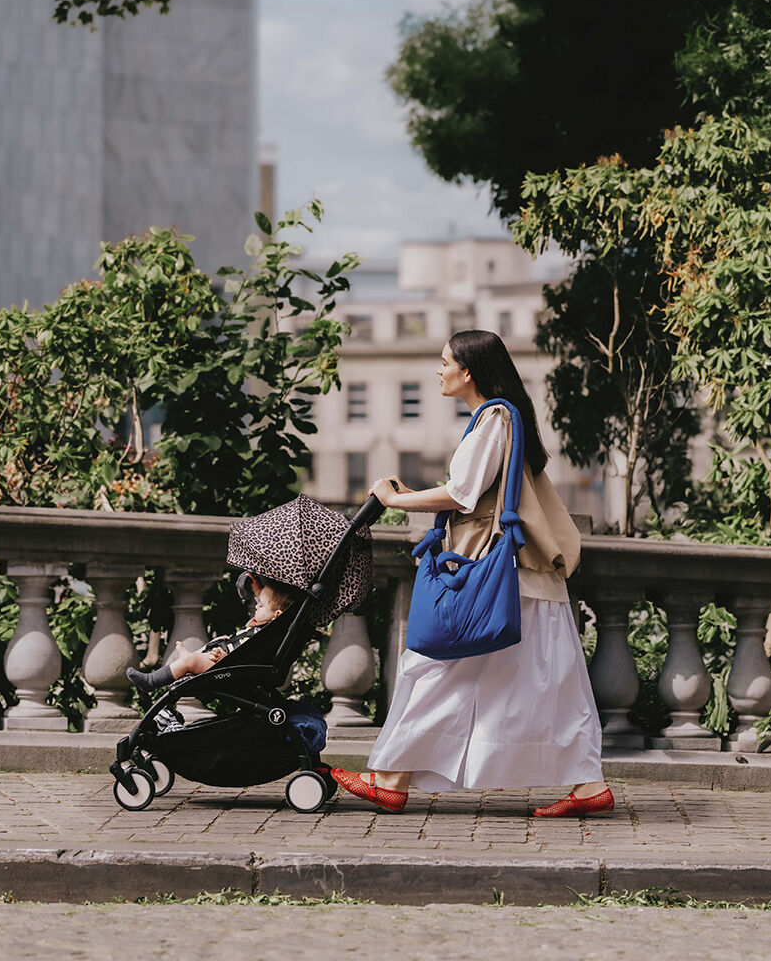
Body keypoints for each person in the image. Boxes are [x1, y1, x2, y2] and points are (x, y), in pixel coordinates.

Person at [331, 330, 612, 817]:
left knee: (436, 669)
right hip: (521, 579)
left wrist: (394, 500)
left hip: (497, 579)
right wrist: (413, 496)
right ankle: (589, 787)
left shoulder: (493, 419)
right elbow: (474, 491)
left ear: (468, 372)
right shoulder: (503, 418)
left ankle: (393, 780)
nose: (438, 371)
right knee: (551, 685)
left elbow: (461, 493)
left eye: (445, 363)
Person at [126, 572, 291, 693]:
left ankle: (151, 681)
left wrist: (227, 659)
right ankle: (190, 658)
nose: (256, 606)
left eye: (261, 605)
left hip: (228, 670)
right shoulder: (269, 628)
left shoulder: (267, 635)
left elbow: (252, 658)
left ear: (276, 616)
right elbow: (270, 605)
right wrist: (258, 590)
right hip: (225, 662)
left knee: (192, 661)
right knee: (221, 638)